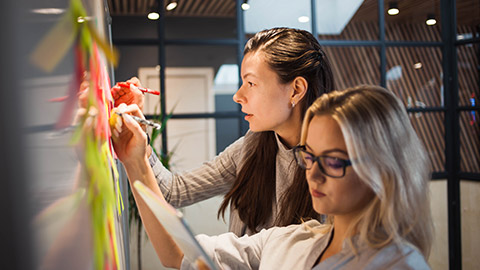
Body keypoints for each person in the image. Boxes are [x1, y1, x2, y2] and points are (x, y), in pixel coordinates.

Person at [116, 85, 434, 269]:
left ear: (382, 167)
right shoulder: (288, 240)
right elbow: (180, 254)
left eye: (333, 162)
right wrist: (134, 162)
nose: (314, 174)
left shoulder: (399, 265)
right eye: (308, 157)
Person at [111, 27, 335, 235]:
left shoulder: (333, 170)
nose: (237, 96)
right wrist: (139, 140)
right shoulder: (253, 146)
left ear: (296, 90)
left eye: (251, 83)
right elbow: (174, 191)